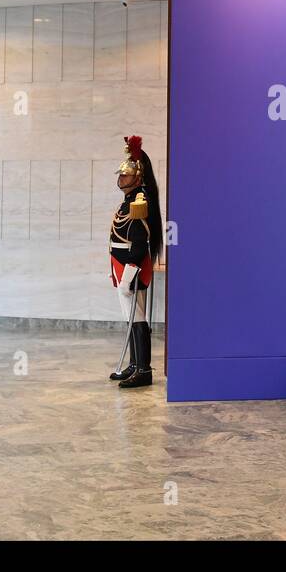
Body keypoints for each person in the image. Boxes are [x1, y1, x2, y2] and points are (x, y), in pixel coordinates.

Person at [108, 135, 163, 389]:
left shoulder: (140, 202)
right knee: (130, 318)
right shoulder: (128, 201)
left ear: (139, 178)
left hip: (133, 267)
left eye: (126, 175)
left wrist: (129, 274)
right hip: (123, 267)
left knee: (138, 319)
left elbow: (140, 241)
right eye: (120, 174)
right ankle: (134, 364)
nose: (121, 178)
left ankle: (144, 370)